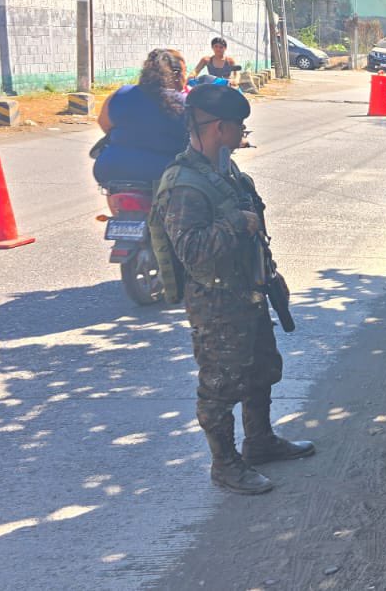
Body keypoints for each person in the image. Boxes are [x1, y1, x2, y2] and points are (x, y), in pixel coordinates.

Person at [152, 84, 313, 495]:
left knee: (260, 370)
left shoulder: (224, 172)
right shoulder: (185, 185)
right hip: (217, 301)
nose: (242, 133)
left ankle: (259, 442)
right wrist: (235, 224)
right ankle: (224, 464)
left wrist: (270, 275)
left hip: (248, 291)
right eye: (239, 126)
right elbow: (191, 250)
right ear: (219, 127)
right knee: (221, 386)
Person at [92, 48, 189, 187]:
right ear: (177, 74)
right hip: (165, 176)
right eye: (184, 73)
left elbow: (104, 123)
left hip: (110, 169)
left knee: (114, 192)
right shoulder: (185, 103)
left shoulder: (120, 93)